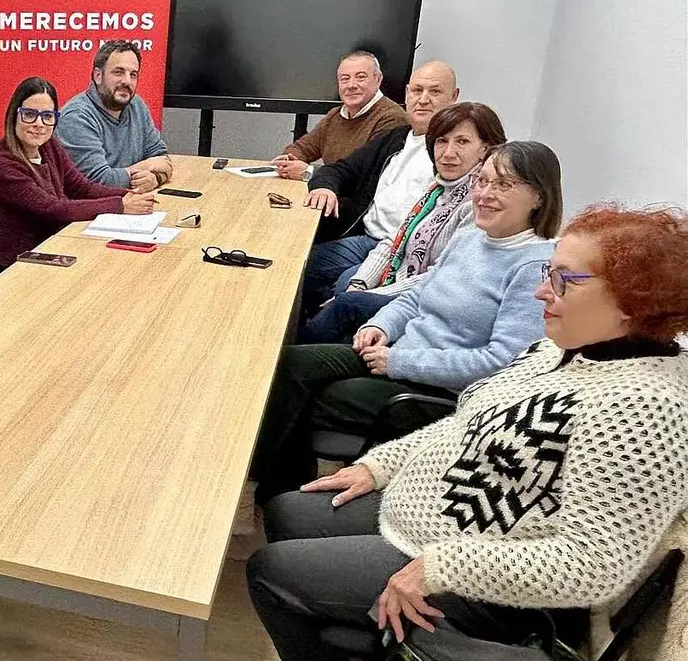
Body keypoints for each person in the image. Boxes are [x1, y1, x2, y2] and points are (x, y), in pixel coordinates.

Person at [247, 204, 688, 661]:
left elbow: (592, 564)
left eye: (563, 281)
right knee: (288, 511)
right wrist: (379, 465)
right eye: (547, 273)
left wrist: (437, 570)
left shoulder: (646, 406)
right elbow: (465, 426)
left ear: (634, 302)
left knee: (271, 572)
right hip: (443, 521)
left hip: (496, 585)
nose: (541, 292)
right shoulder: (562, 349)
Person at [253, 140, 564, 504]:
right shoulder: (468, 239)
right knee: (289, 363)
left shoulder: (533, 267)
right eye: (482, 181)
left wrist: (398, 361)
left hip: (435, 388)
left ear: (540, 197)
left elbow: (502, 364)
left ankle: (285, 494)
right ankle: (277, 487)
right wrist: (380, 326)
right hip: (396, 354)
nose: (485, 193)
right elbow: (416, 297)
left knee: (320, 397)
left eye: (504, 185)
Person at [300, 102, 506, 343]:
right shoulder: (437, 189)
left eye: (462, 142)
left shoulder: (479, 203)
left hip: (422, 300)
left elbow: (442, 276)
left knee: (346, 303)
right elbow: (393, 241)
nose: (448, 152)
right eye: (442, 141)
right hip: (395, 274)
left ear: (485, 149)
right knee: (329, 278)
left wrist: (372, 293)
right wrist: (360, 284)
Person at [300, 61, 460, 317]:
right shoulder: (395, 137)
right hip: (366, 238)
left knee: (346, 289)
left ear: (454, 97)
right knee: (299, 263)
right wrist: (325, 187)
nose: (423, 100)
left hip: (403, 253)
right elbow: (341, 169)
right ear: (406, 94)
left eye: (435, 92)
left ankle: (330, 344)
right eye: (417, 91)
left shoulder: (452, 153)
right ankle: (297, 330)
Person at [0, 76, 157, 272]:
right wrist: (120, 205)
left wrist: (128, 195)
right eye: (29, 114)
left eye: (47, 116)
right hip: (21, 264)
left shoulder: (49, 145)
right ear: (14, 116)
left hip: (57, 247)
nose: (39, 123)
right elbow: (54, 210)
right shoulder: (0, 165)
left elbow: (81, 188)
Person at [55, 40, 173, 192]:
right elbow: (99, 181)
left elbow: (163, 158)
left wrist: (156, 178)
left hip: (131, 205)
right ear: (98, 75)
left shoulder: (137, 105)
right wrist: (145, 167)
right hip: (88, 211)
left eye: (133, 74)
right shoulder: (76, 117)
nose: (127, 81)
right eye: (118, 72)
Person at [271, 51, 408, 181]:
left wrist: (309, 172)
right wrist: (288, 161)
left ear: (378, 79)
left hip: (357, 204)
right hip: (326, 194)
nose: (351, 85)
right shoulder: (335, 115)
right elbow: (302, 148)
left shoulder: (392, 119)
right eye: (345, 79)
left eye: (360, 77)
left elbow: (368, 176)